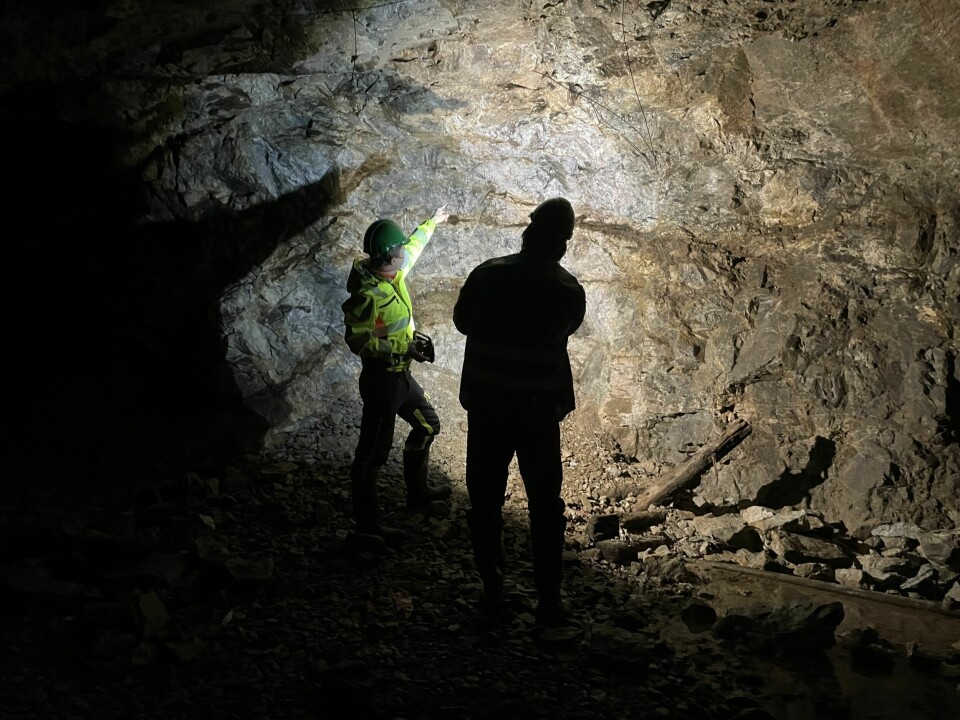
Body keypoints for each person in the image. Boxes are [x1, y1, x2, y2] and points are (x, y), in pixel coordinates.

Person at [453, 197, 586, 625]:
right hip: (538, 414)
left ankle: (493, 593)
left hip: (488, 408)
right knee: (545, 505)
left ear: (528, 232)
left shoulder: (488, 274)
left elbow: (462, 322)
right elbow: (567, 328)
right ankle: (549, 600)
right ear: (561, 241)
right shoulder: (568, 290)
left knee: (485, 500)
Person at [342, 207, 452, 541]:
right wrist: (402, 348)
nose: (405, 252)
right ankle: (367, 526)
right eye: (399, 249)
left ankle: (417, 494)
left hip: (400, 376)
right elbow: (359, 341)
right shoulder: (366, 295)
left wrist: (433, 222)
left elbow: (414, 246)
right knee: (371, 456)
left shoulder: (393, 272)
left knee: (427, 425)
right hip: (381, 382)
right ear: (389, 257)